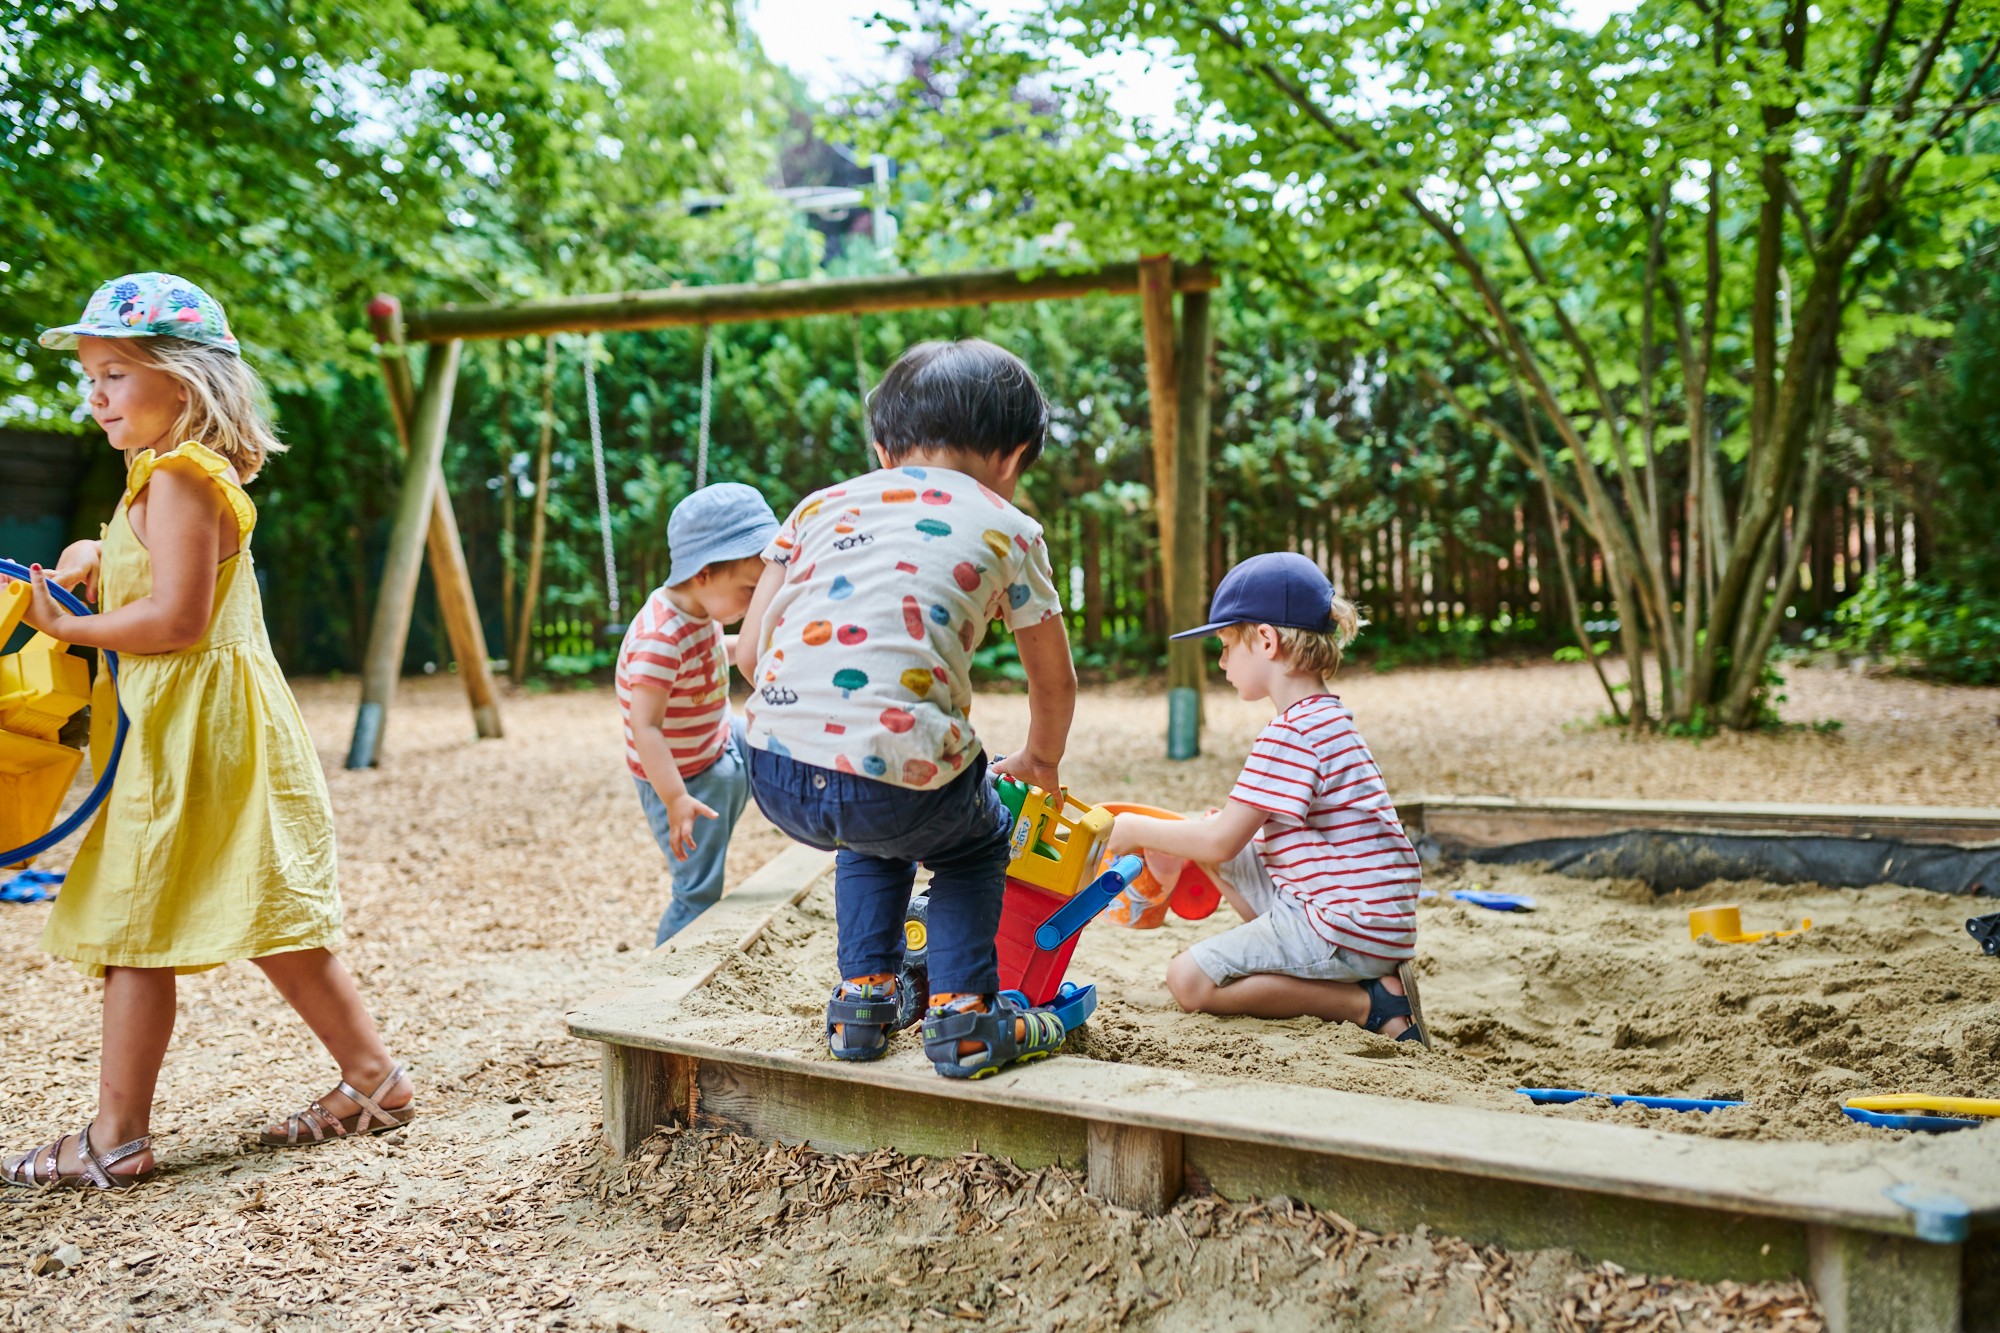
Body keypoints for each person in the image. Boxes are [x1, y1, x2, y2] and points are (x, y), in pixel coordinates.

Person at [2, 272, 411, 1190]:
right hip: (204, 724)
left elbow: (179, 619)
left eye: (113, 373)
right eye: (90, 375)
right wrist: (90, 564)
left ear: (181, 385)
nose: (93, 394)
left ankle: (114, 1136)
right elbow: (158, 579)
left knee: (131, 921)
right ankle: (375, 1079)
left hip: (193, 728)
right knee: (266, 913)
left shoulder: (184, 476)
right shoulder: (166, 474)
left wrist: (70, 626)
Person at [732, 338, 1078, 1079]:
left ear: (884, 450)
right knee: (974, 843)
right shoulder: (1011, 529)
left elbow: (748, 654)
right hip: (898, 775)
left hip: (774, 766)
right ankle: (963, 1017)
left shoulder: (817, 506)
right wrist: (1041, 759)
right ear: (1014, 459)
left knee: (871, 827)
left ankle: (863, 1001)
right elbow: (1053, 681)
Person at [1106, 552, 1429, 1044]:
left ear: (1265, 640)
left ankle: (1370, 1005)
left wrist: (1130, 828)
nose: (1221, 662)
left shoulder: (1291, 733)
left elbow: (1218, 843)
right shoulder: (1325, 718)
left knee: (1188, 981)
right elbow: (1225, 839)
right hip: (1368, 915)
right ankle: (1324, 970)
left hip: (1345, 925)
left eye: (1225, 646)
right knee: (1213, 834)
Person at [617, 482, 777, 945]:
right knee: (697, 890)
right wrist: (674, 798)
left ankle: (815, 809)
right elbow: (644, 727)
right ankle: (662, 982)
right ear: (704, 573)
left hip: (719, 738)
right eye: (749, 590)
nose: (754, 603)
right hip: (683, 774)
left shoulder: (701, 612)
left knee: (770, 735)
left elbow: (712, 651)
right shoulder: (659, 639)